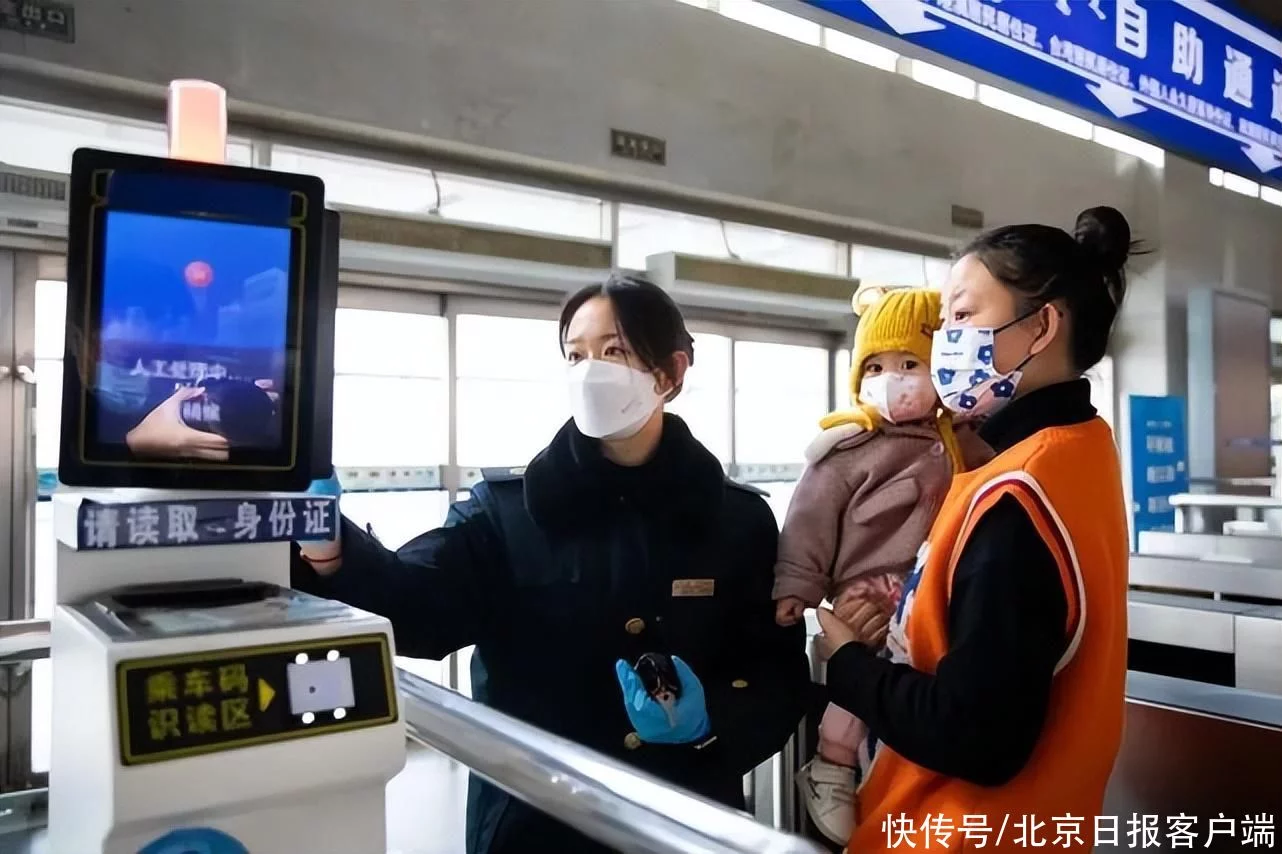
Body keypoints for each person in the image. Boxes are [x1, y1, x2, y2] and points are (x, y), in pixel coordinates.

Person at [291, 272, 810, 854]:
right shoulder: (508, 514)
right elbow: (416, 605)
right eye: (575, 354)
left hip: (685, 818)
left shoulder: (735, 520)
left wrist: (711, 722)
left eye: (614, 351)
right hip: (536, 825)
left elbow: (777, 678)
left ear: (670, 374)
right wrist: (328, 544)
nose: (590, 371)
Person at [815, 206, 1134, 853]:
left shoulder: (1018, 497)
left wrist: (847, 664)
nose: (944, 342)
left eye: (961, 316)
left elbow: (977, 736)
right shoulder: (1080, 450)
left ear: (1041, 326)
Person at [771, 287, 981, 844]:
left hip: (934, 595)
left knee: (919, 692)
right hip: (866, 593)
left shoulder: (964, 439)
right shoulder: (846, 445)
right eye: (876, 366)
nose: (892, 380)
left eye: (910, 364)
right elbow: (809, 520)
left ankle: (894, 781)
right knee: (860, 680)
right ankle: (832, 763)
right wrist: (797, 585)